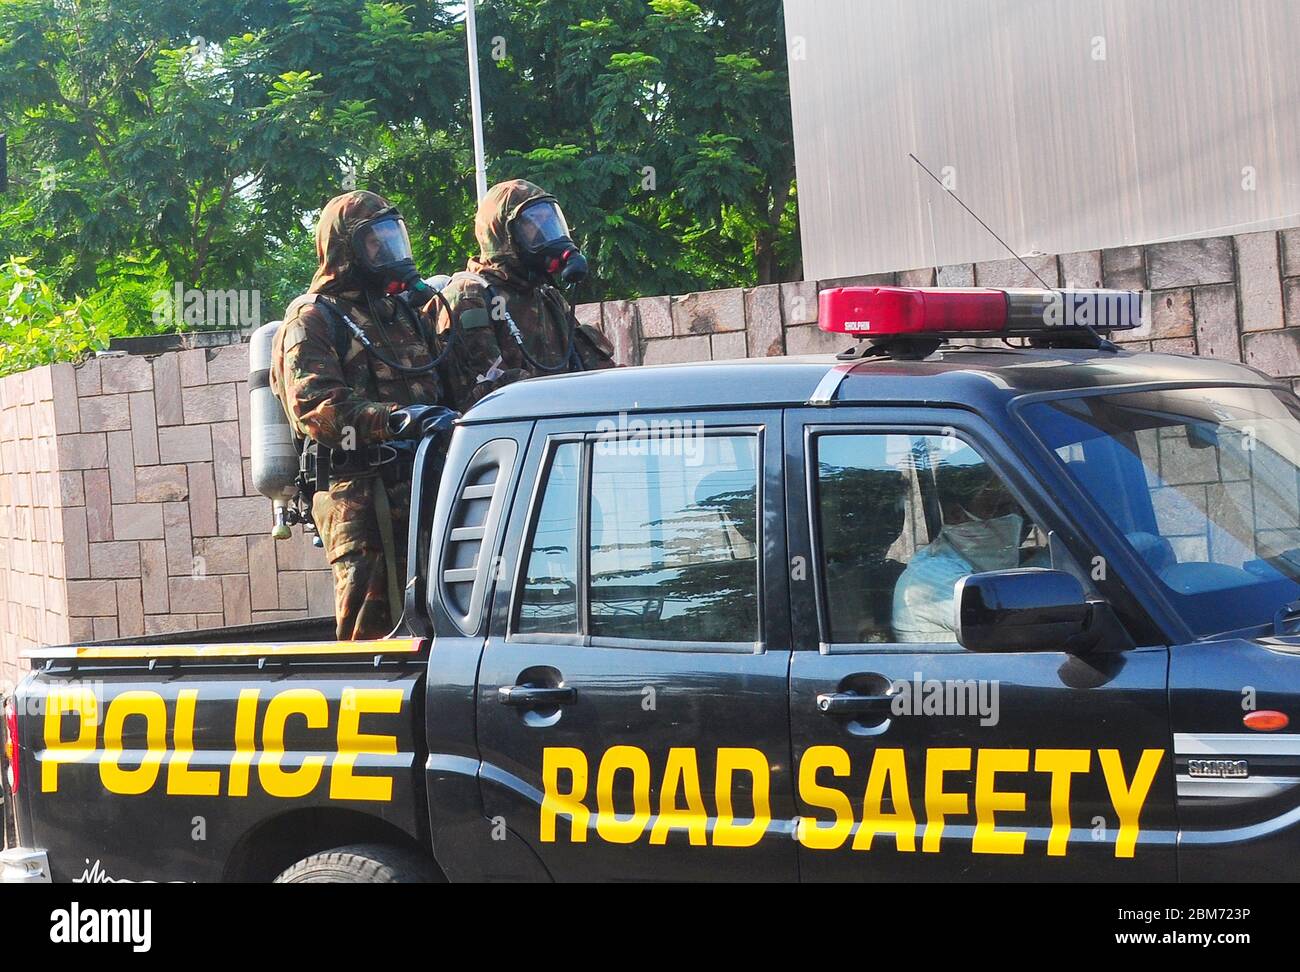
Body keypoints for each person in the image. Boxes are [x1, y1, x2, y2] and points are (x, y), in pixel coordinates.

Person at [271, 190, 455, 640]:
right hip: (361, 501)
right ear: (346, 248)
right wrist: (394, 420)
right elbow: (316, 408)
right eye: (377, 241)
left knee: (443, 627)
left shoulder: (405, 313)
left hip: (426, 491)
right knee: (372, 641)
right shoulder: (313, 317)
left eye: (395, 238)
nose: (390, 250)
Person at [436, 179, 615, 410]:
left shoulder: (545, 295)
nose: (546, 233)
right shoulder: (470, 297)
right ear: (503, 235)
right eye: (534, 225)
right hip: (510, 439)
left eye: (548, 222)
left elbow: (591, 368)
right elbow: (484, 395)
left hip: (557, 430)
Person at [891, 459, 1027, 643]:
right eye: (999, 508)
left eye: (1016, 507)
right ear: (956, 514)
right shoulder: (932, 575)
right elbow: (1019, 624)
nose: (1013, 517)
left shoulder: (972, 561)